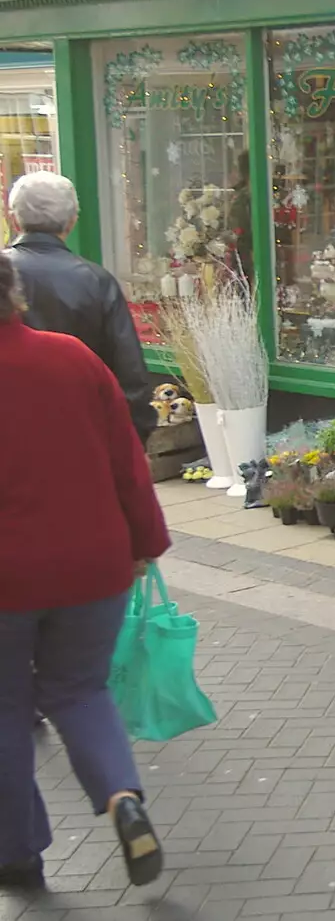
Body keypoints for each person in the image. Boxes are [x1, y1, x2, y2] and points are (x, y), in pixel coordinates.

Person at [0, 250, 169, 891]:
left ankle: (17, 851)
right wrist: (146, 538)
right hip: (92, 564)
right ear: (13, 295)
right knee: (80, 689)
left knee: (5, 709)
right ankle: (122, 797)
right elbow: (126, 460)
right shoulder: (73, 358)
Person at [5, 172, 155, 445]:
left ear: (13, 219)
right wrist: (134, 438)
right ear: (72, 221)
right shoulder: (95, 281)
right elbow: (130, 373)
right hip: (80, 432)